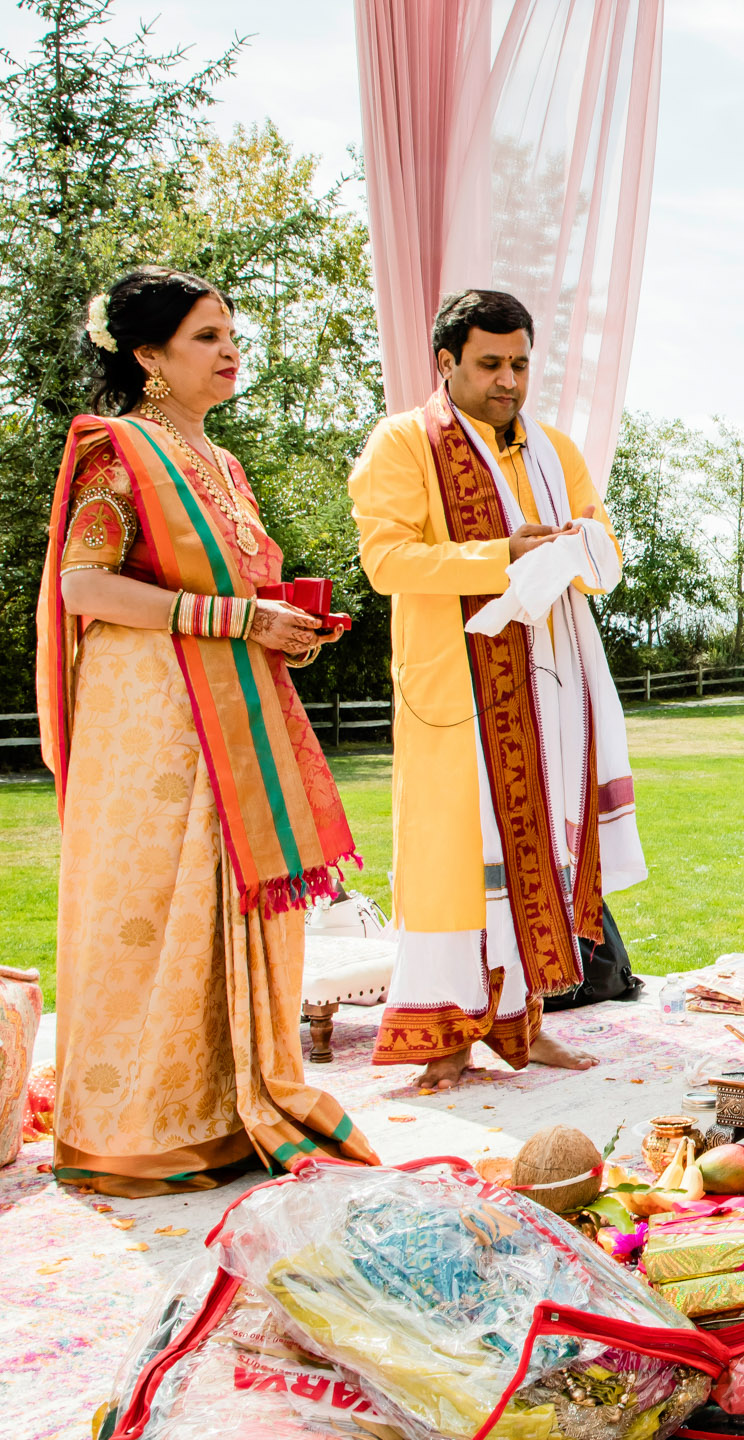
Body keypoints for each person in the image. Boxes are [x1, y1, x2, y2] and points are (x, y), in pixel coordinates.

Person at [36, 266, 378, 1194]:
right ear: (147, 356)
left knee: (230, 906)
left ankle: (234, 1108)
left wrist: (283, 629)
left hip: (228, 699)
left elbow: (237, 592)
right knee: (159, 912)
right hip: (151, 717)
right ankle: (141, 1127)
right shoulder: (120, 451)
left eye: (230, 335)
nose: (229, 352)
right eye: (204, 337)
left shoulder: (222, 464)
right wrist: (235, 622)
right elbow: (86, 588)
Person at [348, 289, 645, 1090]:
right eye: (491, 364)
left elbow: (603, 542)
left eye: (519, 363)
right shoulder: (403, 444)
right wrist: (502, 556)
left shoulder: (553, 449)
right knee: (453, 866)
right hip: (456, 691)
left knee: (532, 858)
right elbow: (389, 561)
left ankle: (522, 1024)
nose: (509, 379)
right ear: (446, 363)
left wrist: (579, 548)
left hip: (549, 695)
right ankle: (441, 1036)